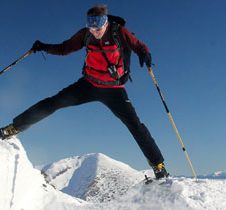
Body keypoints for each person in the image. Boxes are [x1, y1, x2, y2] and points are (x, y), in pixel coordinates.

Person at [0, 5, 168, 179]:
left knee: (135, 125)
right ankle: (13, 128)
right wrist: (44, 47)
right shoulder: (85, 34)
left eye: (99, 25)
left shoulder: (119, 32)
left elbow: (138, 45)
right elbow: (65, 48)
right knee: (53, 103)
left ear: (106, 22)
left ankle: (158, 165)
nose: (95, 30)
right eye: (91, 26)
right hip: (88, 84)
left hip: (114, 89)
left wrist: (145, 54)